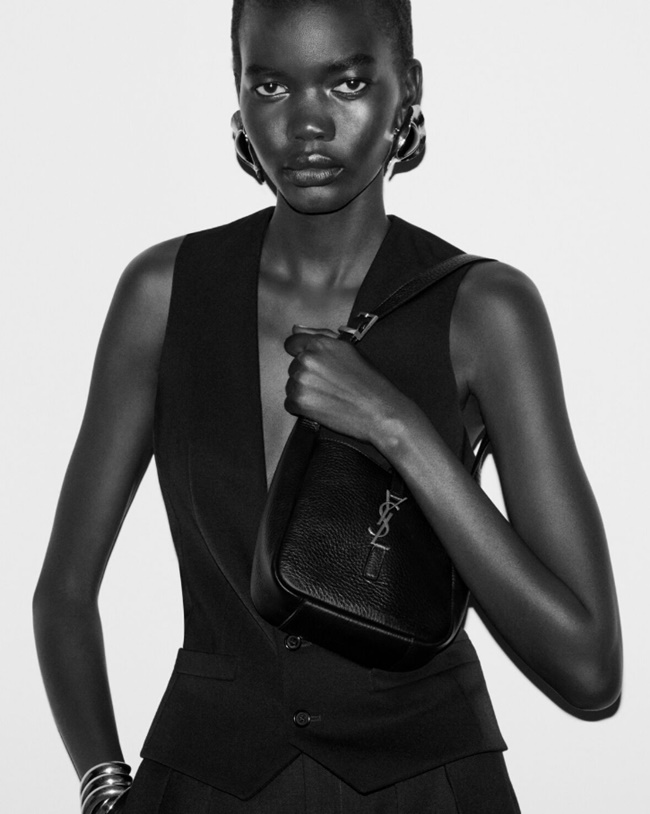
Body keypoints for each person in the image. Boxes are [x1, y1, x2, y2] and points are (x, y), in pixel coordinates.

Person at [33, 0, 623, 811]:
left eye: (346, 83)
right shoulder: (163, 296)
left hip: (430, 789)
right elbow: (63, 593)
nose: (307, 124)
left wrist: (396, 427)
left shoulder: (486, 312)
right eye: (271, 86)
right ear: (238, 97)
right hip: (203, 785)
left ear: (407, 89)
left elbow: (589, 670)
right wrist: (105, 790)